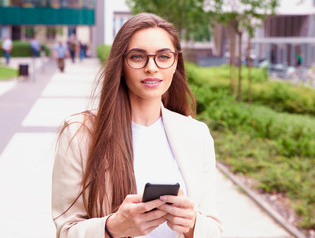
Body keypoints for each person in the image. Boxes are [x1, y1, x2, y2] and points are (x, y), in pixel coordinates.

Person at [52, 13, 222, 238]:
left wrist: (192, 225)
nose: (152, 67)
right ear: (120, 64)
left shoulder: (196, 134)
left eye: (163, 56)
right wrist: (112, 227)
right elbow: (66, 231)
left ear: (175, 64)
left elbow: (215, 229)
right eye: (137, 56)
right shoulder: (79, 133)